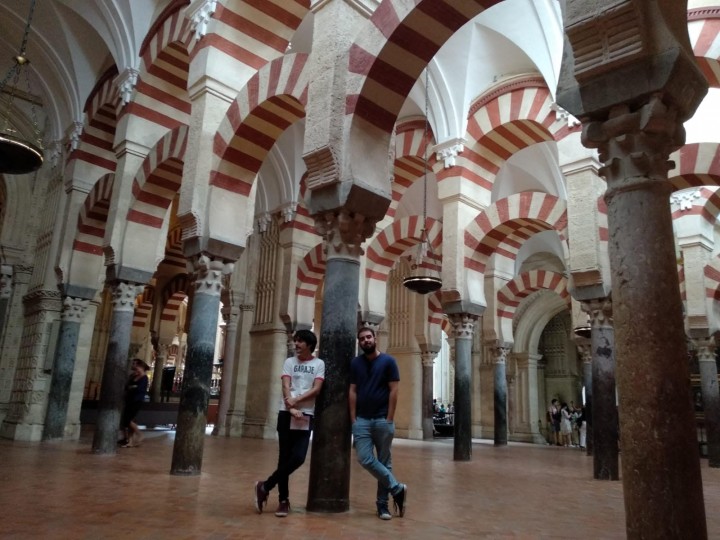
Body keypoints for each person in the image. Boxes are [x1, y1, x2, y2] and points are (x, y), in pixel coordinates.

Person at [254, 329, 325, 518]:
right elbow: (286, 385)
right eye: (295, 341)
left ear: (310, 344)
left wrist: (297, 401)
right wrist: (290, 405)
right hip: (286, 413)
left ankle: (266, 485)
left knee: (299, 457)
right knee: (284, 458)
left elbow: (317, 389)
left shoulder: (319, 364)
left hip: (305, 414)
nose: (297, 344)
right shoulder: (289, 362)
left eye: (300, 341)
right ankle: (283, 501)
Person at [349, 326, 407, 520]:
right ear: (359, 342)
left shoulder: (389, 361)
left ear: (375, 338)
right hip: (362, 421)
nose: (366, 340)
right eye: (362, 338)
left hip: (383, 419)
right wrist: (353, 419)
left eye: (368, 337)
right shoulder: (356, 363)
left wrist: (389, 418)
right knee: (364, 458)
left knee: (384, 462)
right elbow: (352, 391)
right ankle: (397, 488)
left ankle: (382, 505)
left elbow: (394, 390)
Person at [119, 359, 149, 448]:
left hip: (137, 400)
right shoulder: (133, 376)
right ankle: (129, 441)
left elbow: (140, 389)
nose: (133, 366)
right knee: (128, 420)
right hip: (129, 399)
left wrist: (132, 387)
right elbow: (126, 386)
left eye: (135, 364)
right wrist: (132, 386)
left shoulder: (144, 378)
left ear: (141, 366)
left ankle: (140, 434)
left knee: (128, 420)